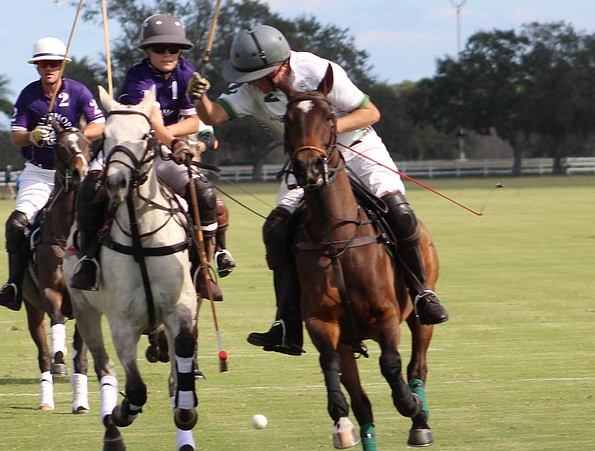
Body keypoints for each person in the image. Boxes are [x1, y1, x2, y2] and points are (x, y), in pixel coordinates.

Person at [191, 24, 450, 356]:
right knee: (276, 228)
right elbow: (212, 115)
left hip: (357, 148)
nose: (252, 82)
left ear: (280, 66)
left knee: (399, 212)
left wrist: (325, 131)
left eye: (259, 74)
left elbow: (371, 112)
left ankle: (421, 294)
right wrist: (197, 95)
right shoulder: (250, 87)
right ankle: (286, 322)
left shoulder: (318, 70)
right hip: (305, 161)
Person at [69, 14, 235, 298]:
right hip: (131, 150)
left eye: (174, 48)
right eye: (160, 48)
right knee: (91, 191)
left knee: (205, 195)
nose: (168, 54)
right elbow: (148, 120)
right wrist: (174, 141)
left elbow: (193, 122)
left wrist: (173, 139)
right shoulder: (139, 77)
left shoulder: (186, 71)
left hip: (165, 152)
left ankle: (206, 262)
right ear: (147, 50)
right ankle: (88, 259)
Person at [0, 36, 105, 311]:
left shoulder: (78, 92)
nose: (49, 68)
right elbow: (15, 137)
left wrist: (74, 136)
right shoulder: (29, 95)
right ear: (37, 67)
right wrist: (33, 134)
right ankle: (14, 286)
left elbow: (99, 126)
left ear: (63, 65)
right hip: (40, 174)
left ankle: (106, 276)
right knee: (16, 224)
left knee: (107, 219)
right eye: (43, 64)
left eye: (54, 63)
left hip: (76, 175)